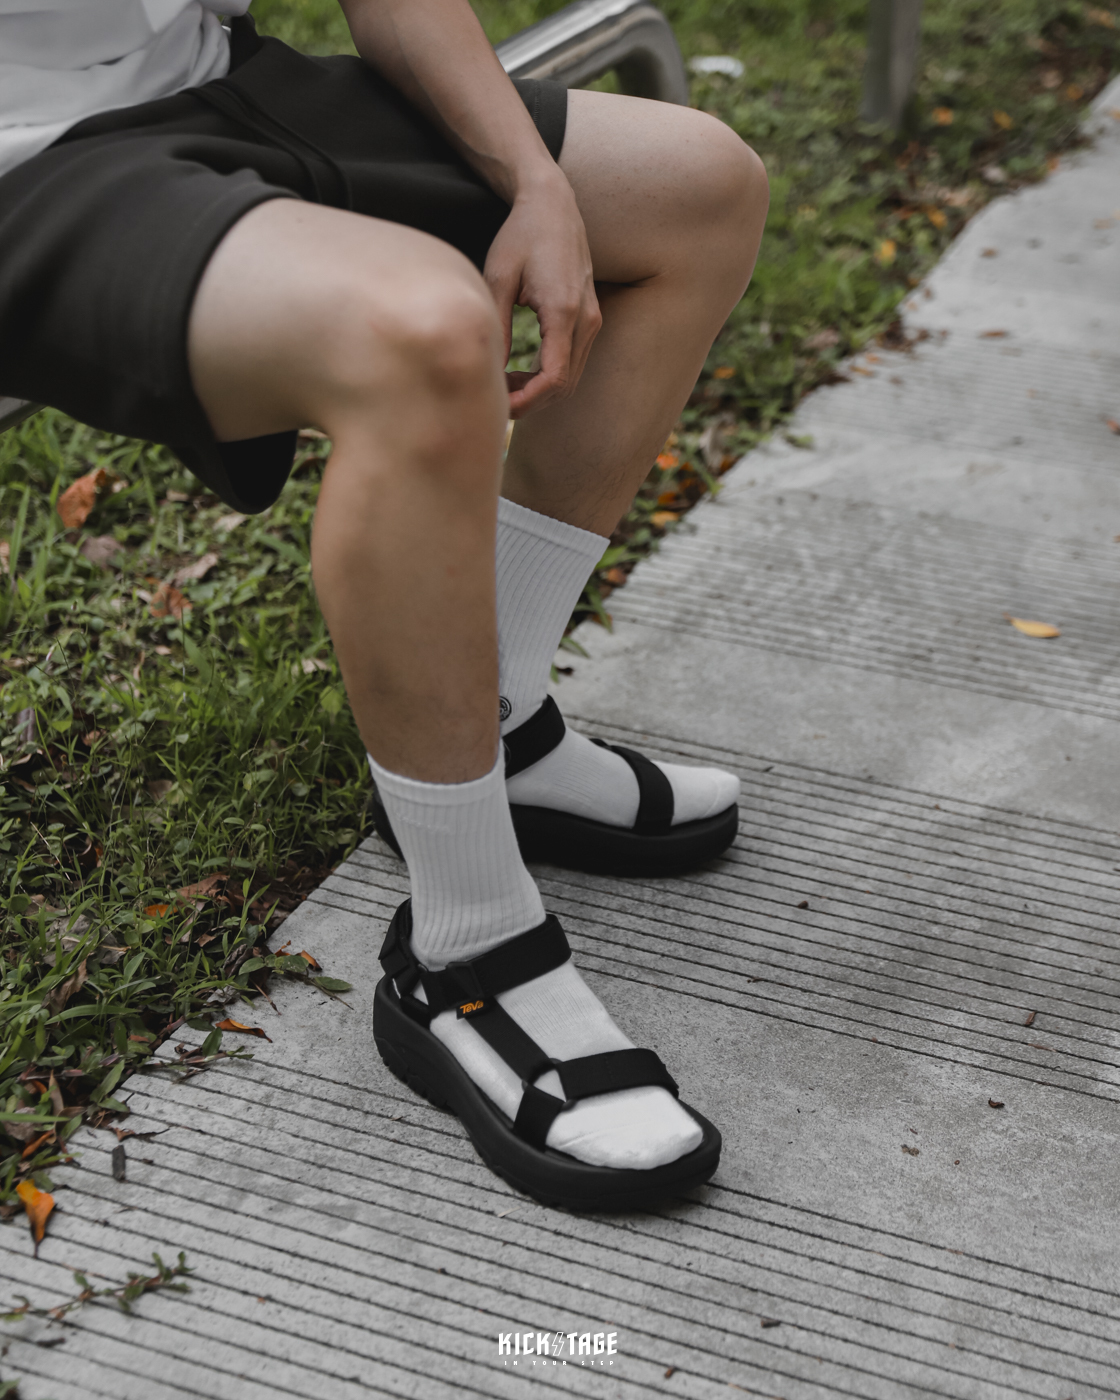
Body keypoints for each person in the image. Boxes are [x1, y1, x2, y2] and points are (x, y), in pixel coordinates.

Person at [0, 0, 768, 1209]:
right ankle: (465, 946)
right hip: (29, 157)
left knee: (700, 188)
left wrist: (536, 184)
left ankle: (498, 727)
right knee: (423, 330)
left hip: (212, 83)